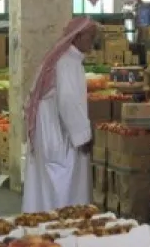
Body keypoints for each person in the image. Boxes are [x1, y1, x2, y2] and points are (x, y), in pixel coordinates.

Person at [21, 17, 97, 213]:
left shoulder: (68, 60)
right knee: (62, 188)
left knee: (47, 188)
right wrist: (83, 136)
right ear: (77, 37)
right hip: (58, 134)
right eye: (90, 36)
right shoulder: (67, 63)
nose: (93, 41)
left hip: (52, 133)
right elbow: (68, 102)